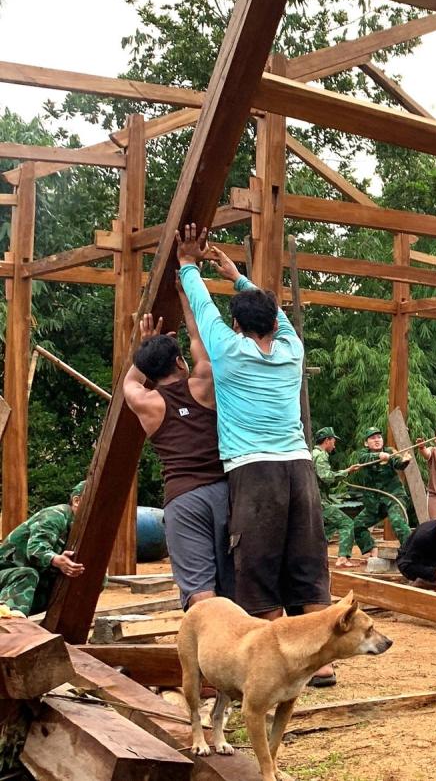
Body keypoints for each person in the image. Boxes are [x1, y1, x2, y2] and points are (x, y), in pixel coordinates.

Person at [175, 225, 333, 685]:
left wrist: (188, 264)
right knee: (307, 561)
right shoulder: (291, 349)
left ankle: (275, 664)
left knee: (258, 565)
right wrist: (236, 275)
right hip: (299, 469)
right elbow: (275, 314)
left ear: (239, 326)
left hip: (254, 469)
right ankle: (320, 661)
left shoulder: (227, 350)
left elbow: (202, 310)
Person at [122, 296, 233, 610]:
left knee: (199, 589)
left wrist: (145, 347)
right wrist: (184, 294)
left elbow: (129, 381)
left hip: (183, 500)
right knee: (234, 584)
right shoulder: (204, 384)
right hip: (226, 493)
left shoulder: (147, 403)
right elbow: (199, 337)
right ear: (180, 362)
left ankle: (208, 654)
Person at [0, 482, 86, 616]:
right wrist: (57, 560)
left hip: (27, 583)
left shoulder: (80, 527)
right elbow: (35, 549)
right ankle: (8, 625)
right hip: (7, 576)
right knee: (27, 574)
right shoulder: (55, 515)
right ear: (76, 501)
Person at [352, 428, 413, 547]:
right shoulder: (362, 454)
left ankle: (410, 552)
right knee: (358, 525)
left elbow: (398, 463)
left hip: (394, 498)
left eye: (379, 437)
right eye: (373, 438)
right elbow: (365, 459)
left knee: (397, 521)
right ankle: (371, 549)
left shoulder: (390, 451)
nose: (377, 440)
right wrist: (379, 455)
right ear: (366, 443)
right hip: (375, 503)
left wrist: (405, 461)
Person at [311, 427, 359, 569]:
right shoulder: (321, 456)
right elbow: (326, 477)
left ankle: (314, 555)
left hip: (314, 499)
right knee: (347, 523)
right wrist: (346, 471)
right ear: (327, 441)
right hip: (318, 500)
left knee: (329, 526)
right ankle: (343, 558)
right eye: (333, 441)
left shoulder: (312, 454)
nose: (334, 445)